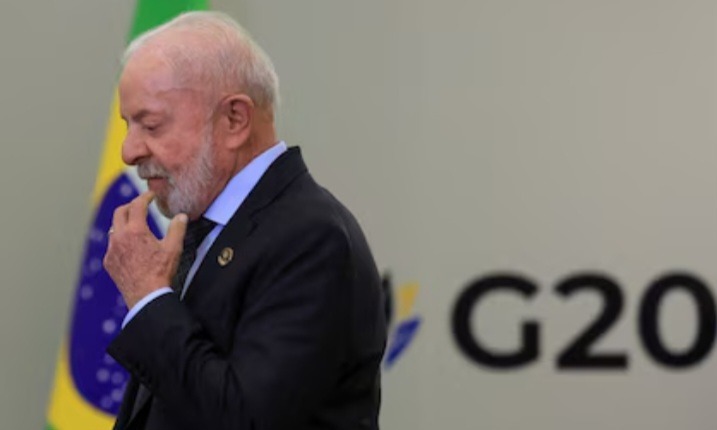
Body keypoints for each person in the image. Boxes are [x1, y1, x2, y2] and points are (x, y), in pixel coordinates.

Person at [102, 11, 386, 430]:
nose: (128, 151)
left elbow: (244, 419)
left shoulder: (310, 237)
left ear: (234, 120)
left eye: (152, 125)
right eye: (128, 126)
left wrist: (148, 298)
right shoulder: (203, 227)